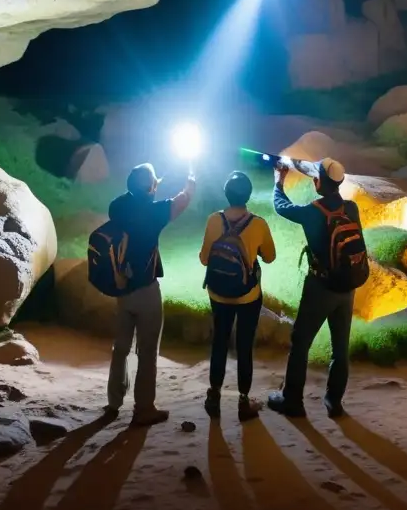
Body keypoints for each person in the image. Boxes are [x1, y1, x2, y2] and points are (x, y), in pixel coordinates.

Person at [105, 162, 196, 426]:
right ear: (151, 187)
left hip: (122, 289)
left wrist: (144, 186)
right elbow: (183, 200)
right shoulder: (155, 212)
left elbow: (130, 197)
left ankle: (113, 402)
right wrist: (191, 179)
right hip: (146, 290)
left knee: (120, 347)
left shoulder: (117, 208)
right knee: (147, 351)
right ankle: (144, 407)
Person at [267, 158, 359, 419]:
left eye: (316, 178)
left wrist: (279, 180)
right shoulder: (351, 209)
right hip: (347, 287)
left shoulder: (313, 211)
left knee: (301, 342)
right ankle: (334, 401)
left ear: (319, 182)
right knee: (340, 347)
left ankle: (292, 401)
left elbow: (281, 206)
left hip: (321, 286)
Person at [199, 171, 277, 422]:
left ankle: (214, 395)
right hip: (248, 296)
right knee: (244, 345)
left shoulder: (214, 220)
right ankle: (244, 401)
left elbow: (204, 259)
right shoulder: (259, 224)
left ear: (226, 194)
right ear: (248, 196)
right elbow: (270, 256)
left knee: (219, 342)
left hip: (218, 293)